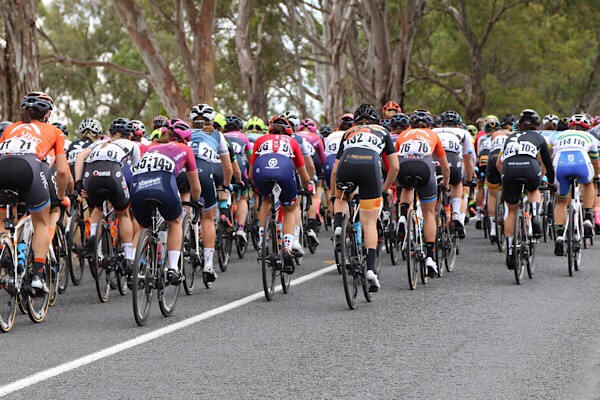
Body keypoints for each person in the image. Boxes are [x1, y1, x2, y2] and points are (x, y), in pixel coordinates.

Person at [0, 92, 69, 293]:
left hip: (2, 167)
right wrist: (61, 195)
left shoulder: (10, 128)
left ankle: (4, 251)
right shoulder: (55, 131)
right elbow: (63, 171)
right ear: (47, 114)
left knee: (4, 220)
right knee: (41, 221)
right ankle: (38, 275)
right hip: (29, 168)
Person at [331, 104, 400, 292]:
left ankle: (339, 225)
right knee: (369, 222)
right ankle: (370, 270)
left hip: (347, 163)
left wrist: (333, 194)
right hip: (371, 166)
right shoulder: (383, 131)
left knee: (342, 198)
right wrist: (384, 189)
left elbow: (335, 169)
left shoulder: (348, 132)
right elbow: (394, 167)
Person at [130, 118, 201, 284]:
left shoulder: (150, 147)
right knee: (175, 222)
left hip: (138, 185)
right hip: (163, 184)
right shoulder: (185, 149)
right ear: (185, 139)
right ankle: (173, 268)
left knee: (143, 227)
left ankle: (132, 263)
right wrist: (196, 201)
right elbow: (195, 186)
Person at [74, 118, 140, 276]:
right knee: (123, 213)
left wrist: (78, 182)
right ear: (129, 135)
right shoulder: (132, 145)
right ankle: (129, 257)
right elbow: (136, 170)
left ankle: (93, 238)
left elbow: (79, 158)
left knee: (97, 208)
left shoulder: (98, 142)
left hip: (91, 175)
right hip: (113, 174)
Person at [249, 116, 311, 271]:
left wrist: (258, 188)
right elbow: (304, 175)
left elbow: (250, 174)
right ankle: (287, 248)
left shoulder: (261, 140)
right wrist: (305, 188)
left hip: (261, 170)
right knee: (289, 207)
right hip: (284, 170)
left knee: (266, 200)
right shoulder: (292, 141)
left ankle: (262, 239)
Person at [395, 109, 450, 277]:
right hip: (425, 169)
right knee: (428, 213)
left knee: (406, 188)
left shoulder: (403, 134)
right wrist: (445, 183)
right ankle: (430, 258)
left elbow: (394, 160)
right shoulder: (432, 135)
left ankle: (404, 216)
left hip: (403, 168)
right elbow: (445, 166)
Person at [497, 109, 554, 269]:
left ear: (519, 126)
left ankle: (509, 251)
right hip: (529, 168)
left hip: (509, 170)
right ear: (537, 126)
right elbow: (548, 165)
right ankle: (535, 215)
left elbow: (498, 164)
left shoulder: (509, 137)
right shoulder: (539, 137)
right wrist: (550, 182)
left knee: (512, 210)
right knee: (534, 190)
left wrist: (506, 179)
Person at [187, 103, 233, 282]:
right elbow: (227, 167)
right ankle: (208, 264)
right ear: (212, 121)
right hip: (205, 173)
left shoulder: (184, 133)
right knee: (208, 218)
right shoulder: (217, 135)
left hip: (183, 174)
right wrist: (227, 184)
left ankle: (184, 231)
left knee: (181, 210)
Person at [548, 115, 599, 255]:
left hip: (560, 164)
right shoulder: (590, 137)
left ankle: (559, 235)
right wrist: (596, 176)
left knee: (561, 201)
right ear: (587, 127)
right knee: (589, 183)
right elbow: (596, 162)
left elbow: (550, 155)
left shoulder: (558, 135)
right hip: (581, 164)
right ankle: (588, 217)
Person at [433, 110, 475, 238]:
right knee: (457, 183)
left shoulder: (433, 131)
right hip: (453, 161)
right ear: (458, 125)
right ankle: (456, 214)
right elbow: (468, 161)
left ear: (441, 125)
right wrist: (468, 179)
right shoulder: (464, 133)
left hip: (434, 161)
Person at [224, 115, 252, 242]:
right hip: (240, 165)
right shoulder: (243, 137)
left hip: (223, 166)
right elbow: (251, 159)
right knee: (243, 197)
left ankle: (224, 214)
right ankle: (241, 228)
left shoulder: (221, 136)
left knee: (223, 190)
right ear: (239, 128)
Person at [482, 120, 509, 242]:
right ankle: (508, 218)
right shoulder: (512, 135)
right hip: (505, 158)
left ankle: (493, 228)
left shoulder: (492, 137)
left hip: (491, 158)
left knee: (493, 194)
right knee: (510, 190)